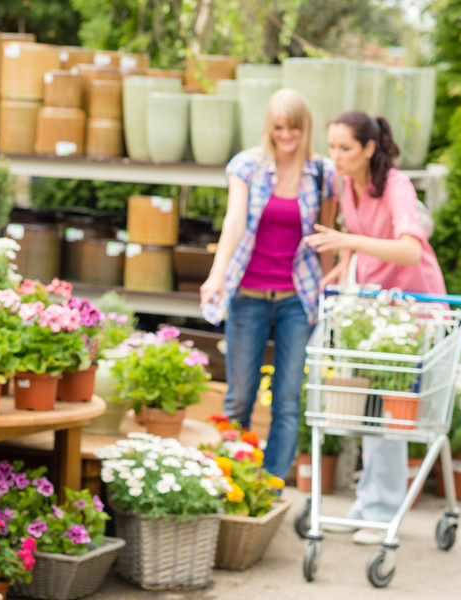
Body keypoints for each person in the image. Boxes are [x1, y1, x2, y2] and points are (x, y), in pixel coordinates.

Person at [304, 110, 446, 545]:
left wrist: (347, 244)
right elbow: (357, 228)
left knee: (392, 410)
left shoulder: (397, 187)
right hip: (376, 308)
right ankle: (370, 502)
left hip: (413, 308)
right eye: (332, 147)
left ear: (369, 148)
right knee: (366, 408)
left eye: (345, 148)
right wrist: (345, 264)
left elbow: (407, 250)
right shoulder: (349, 183)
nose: (336, 156)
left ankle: (383, 508)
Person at [200, 88, 337, 483]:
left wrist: (328, 289)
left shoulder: (322, 172)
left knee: (287, 400)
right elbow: (235, 222)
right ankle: (232, 478)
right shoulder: (247, 166)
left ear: (304, 128)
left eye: (293, 127)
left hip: (298, 297)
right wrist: (217, 274)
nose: (286, 135)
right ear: (269, 127)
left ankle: (271, 485)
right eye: (279, 127)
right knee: (239, 396)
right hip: (248, 295)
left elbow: (324, 236)